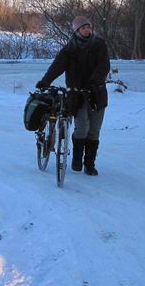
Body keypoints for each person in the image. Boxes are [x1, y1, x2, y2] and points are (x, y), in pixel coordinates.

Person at [36, 16, 110, 176]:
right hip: (77, 95)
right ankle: (77, 159)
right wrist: (45, 81)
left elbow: (104, 66)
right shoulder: (69, 49)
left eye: (88, 27)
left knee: (94, 130)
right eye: (83, 28)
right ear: (77, 31)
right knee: (82, 127)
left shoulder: (99, 45)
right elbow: (57, 66)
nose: (87, 30)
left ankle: (89, 164)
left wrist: (93, 82)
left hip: (97, 93)